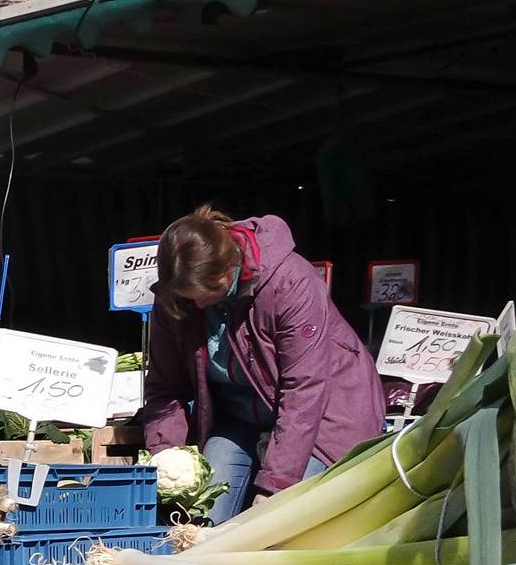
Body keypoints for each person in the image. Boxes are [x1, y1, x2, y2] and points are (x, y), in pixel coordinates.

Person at [142, 207, 385, 522]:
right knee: (202, 517)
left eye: (209, 292)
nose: (199, 304)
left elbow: (304, 389)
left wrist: (275, 483)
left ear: (231, 266)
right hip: (240, 417)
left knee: (278, 524)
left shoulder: (290, 282)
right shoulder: (175, 300)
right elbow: (165, 385)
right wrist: (166, 454)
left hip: (324, 415)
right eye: (190, 298)